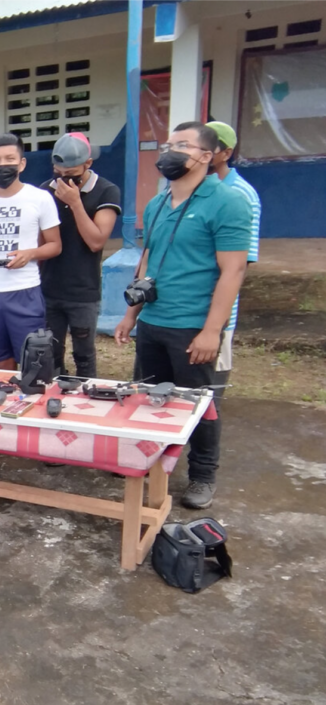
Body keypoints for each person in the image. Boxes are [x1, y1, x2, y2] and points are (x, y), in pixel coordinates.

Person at [114, 122, 251, 510]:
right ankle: (152, 461)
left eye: (182, 146)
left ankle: (203, 474)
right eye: (168, 145)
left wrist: (212, 330)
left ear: (206, 156)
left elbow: (233, 270)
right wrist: (130, 314)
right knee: (150, 398)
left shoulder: (227, 201)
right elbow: (147, 260)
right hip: (154, 321)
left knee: (199, 405)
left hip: (193, 325)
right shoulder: (158, 203)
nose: (169, 152)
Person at [0, 133, 62, 370]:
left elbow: (55, 245)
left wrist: (30, 254)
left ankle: (29, 398)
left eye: (9, 159)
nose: (2, 165)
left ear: (22, 163)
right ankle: (6, 400)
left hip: (24, 291)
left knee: (32, 357)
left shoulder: (40, 198)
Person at [41, 133, 122, 377]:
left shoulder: (106, 191)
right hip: (48, 288)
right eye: (60, 173)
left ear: (88, 164)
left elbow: (96, 241)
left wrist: (75, 203)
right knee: (49, 353)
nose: (65, 180)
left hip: (83, 291)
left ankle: (88, 400)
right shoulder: (45, 191)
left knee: (84, 355)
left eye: (72, 174)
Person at [206, 120, 261, 388]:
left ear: (225, 153)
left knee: (208, 391)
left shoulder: (241, 194)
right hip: (179, 313)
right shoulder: (184, 191)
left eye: (209, 146)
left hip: (215, 308)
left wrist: (217, 320)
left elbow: (240, 264)